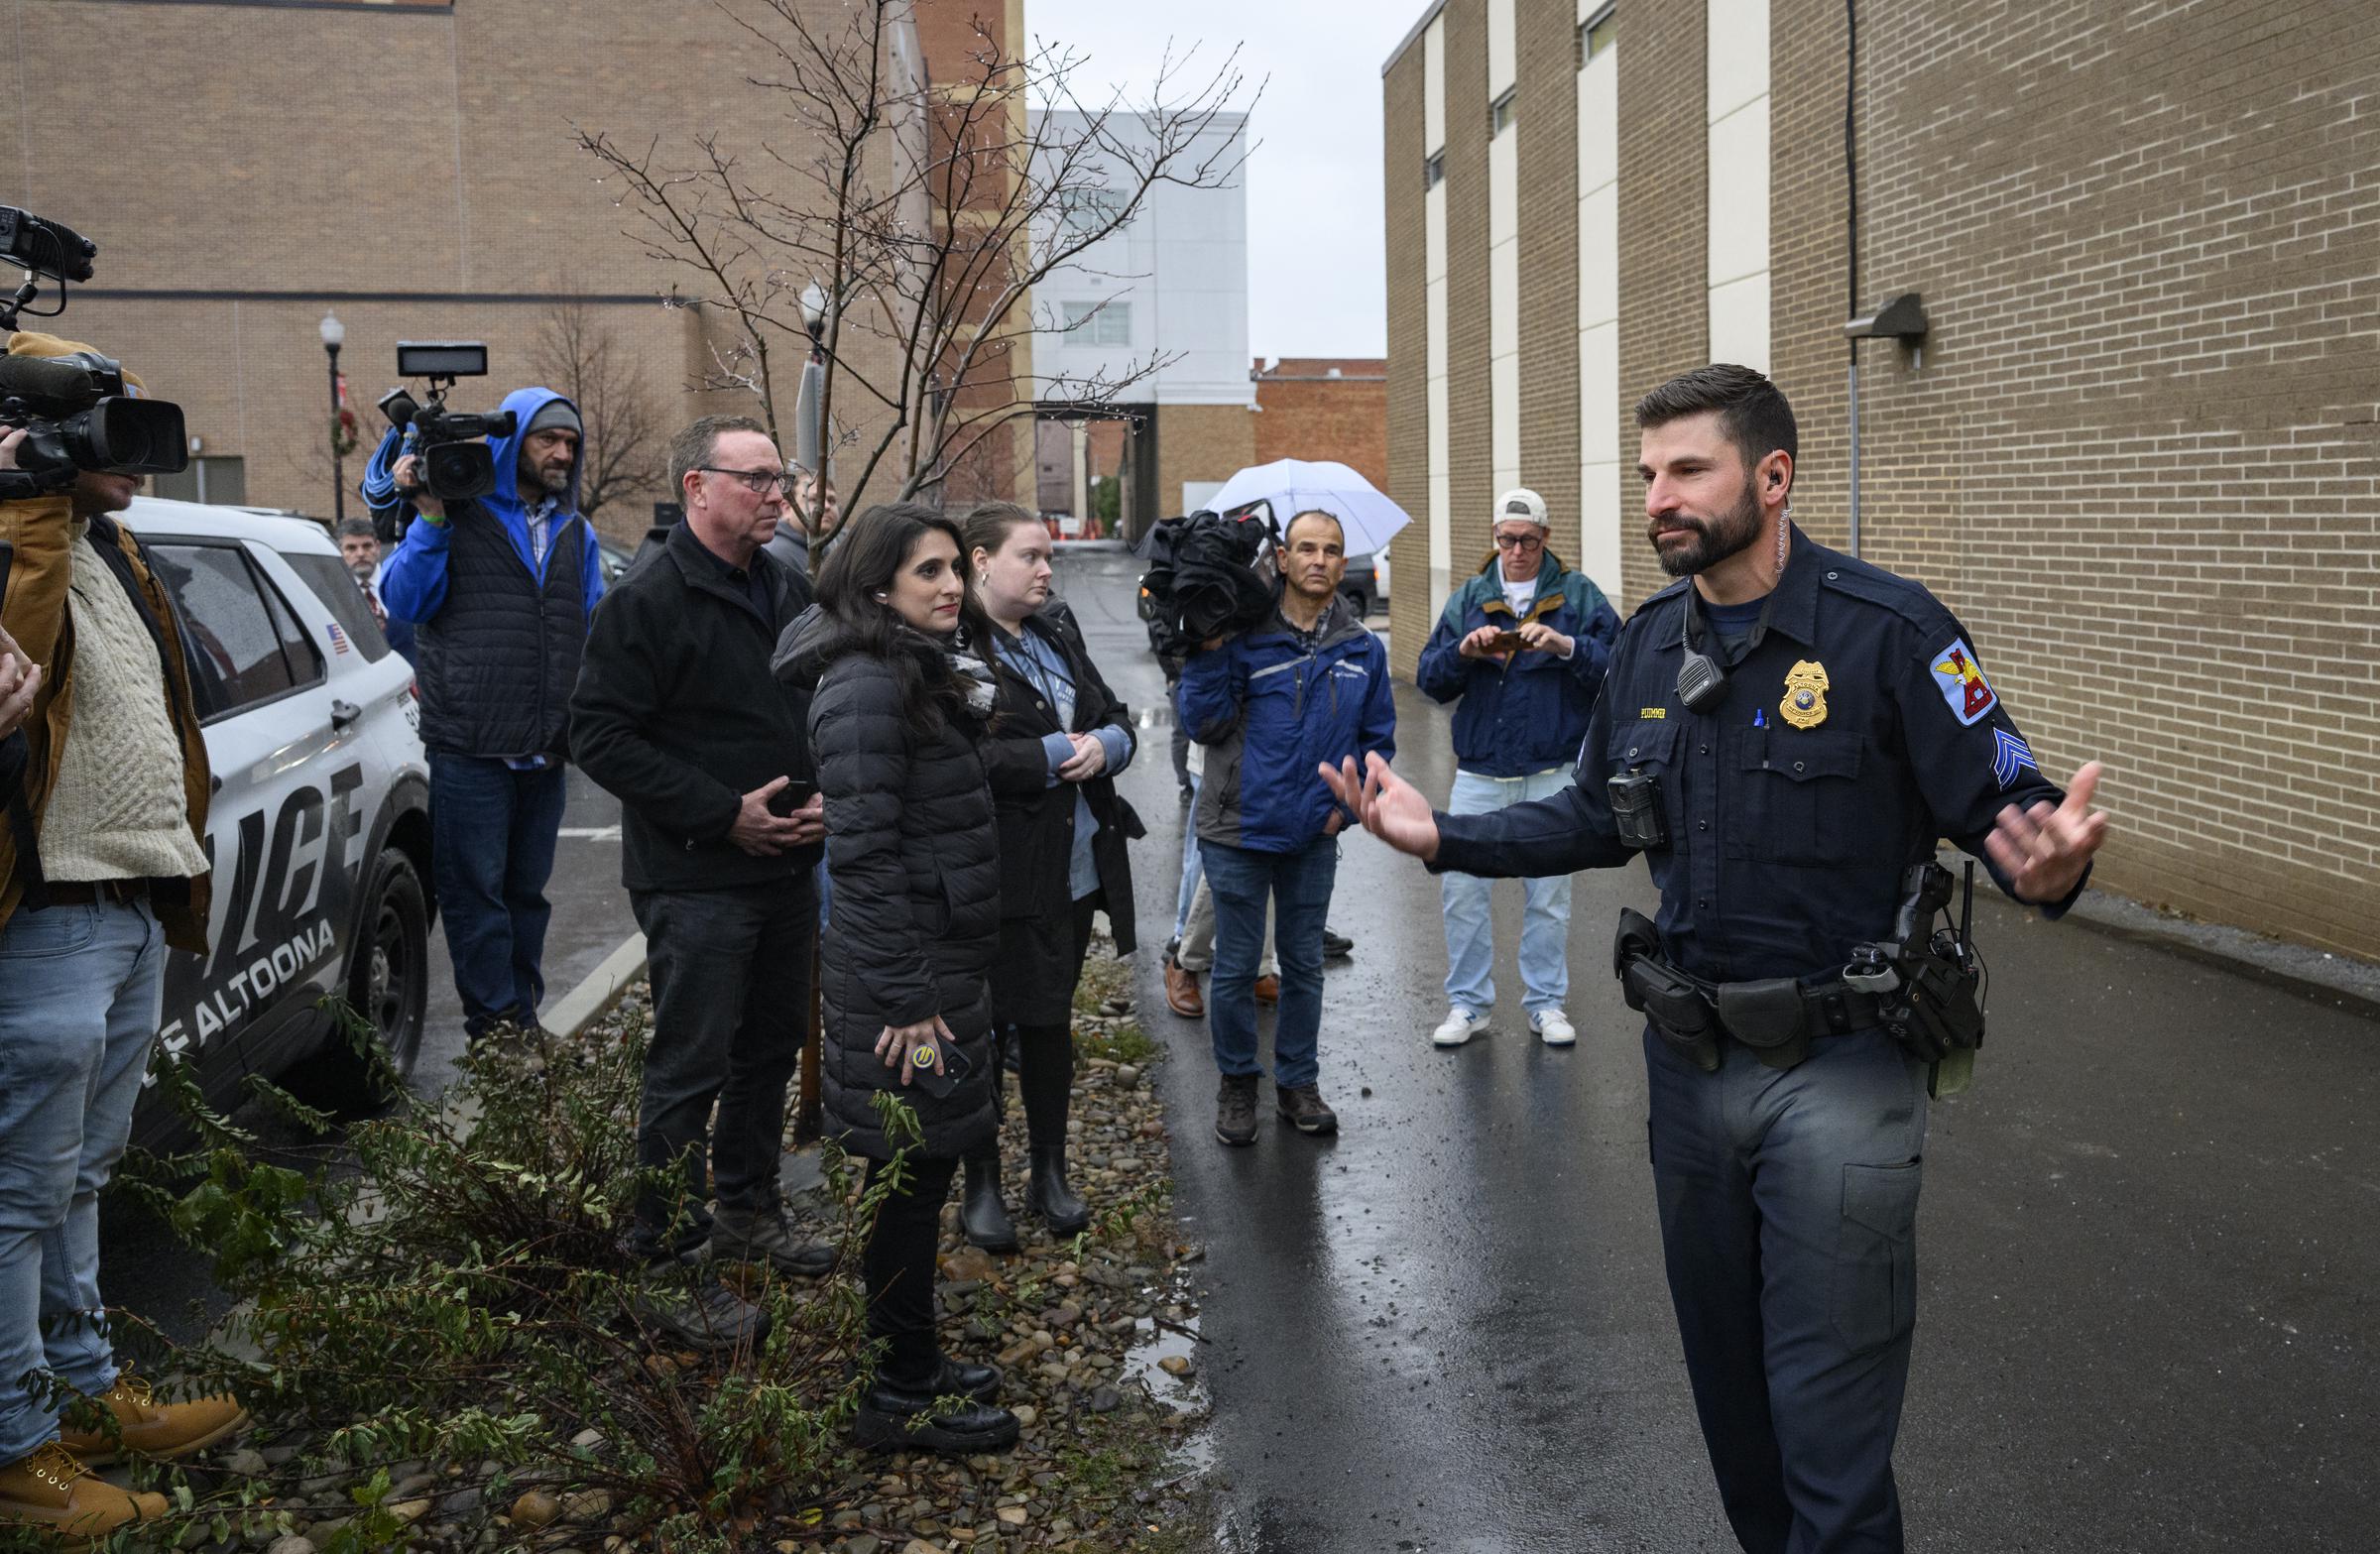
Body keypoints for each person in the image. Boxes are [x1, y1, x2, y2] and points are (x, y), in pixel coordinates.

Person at [1323, 364, 2109, 1554]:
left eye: (1687, 470)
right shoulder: (1642, 647)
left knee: (1829, 1432)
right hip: (1690, 1077)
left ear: (1773, 476)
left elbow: (2010, 797)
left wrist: (2047, 862)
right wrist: (1444, 834)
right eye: (1649, 475)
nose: (1659, 499)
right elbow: (1592, 815)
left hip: (1843, 1074)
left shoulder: (1892, 631)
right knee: (1735, 1418)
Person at [0, 333, 243, 1543]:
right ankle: (16, 1447)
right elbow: (15, 678)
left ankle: (85, 1393)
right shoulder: (23, 539)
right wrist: (24, 507)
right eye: (101, 423)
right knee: (16, 1193)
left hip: (128, 900)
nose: (133, 449)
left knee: (81, 1178)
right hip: (42, 912)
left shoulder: (115, 545)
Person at [569, 416, 832, 1350]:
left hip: (788, 866)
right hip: (697, 879)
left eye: (780, 481)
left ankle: (749, 1210)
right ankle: (666, 1258)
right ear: (697, 487)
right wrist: (725, 813)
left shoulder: (785, 584)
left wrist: (822, 798)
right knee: (690, 1066)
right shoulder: (646, 600)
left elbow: (814, 702)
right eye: (757, 479)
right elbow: (598, 734)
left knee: (767, 1051)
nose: (776, 496)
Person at [773, 502, 1018, 1455]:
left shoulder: (908, 669)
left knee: (919, 1174)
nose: (953, 585)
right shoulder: (865, 686)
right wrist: (910, 1002)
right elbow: (864, 859)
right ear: (877, 586)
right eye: (930, 572)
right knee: (908, 1183)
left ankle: (912, 1358)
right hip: (904, 988)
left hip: (935, 965)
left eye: (956, 568)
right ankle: (899, 1391)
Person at [378, 389, 605, 1041]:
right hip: (471, 747)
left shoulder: (576, 531)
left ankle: (523, 1017)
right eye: (546, 439)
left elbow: (589, 625)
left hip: (545, 748)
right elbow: (405, 602)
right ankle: (497, 1030)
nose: (562, 451)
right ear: (513, 445)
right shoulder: (458, 515)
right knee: (476, 896)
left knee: (526, 897)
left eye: (570, 441)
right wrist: (430, 520)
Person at [956, 503, 1141, 1251]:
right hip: (997, 873)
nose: (1044, 570)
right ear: (980, 560)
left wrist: (1107, 744)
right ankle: (982, 1182)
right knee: (980, 1026)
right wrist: (1044, 757)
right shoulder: (954, 647)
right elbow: (959, 758)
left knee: (1049, 1022)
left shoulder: (1055, 631)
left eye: (1048, 558)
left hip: (1070, 870)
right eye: (1030, 556)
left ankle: (1049, 1171)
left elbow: (1117, 712)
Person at [1178, 509, 1393, 1145]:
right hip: (1237, 830)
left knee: (1303, 966)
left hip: (1312, 836)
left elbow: (1377, 744)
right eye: (1306, 548)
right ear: (1282, 558)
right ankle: (1238, 1084)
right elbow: (1203, 724)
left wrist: (1344, 811)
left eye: (1331, 549)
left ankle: (1297, 1082)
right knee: (1238, 967)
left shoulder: (1362, 649)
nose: (1320, 560)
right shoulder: (1241, 636)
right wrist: (1210, 649)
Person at [1413, 487, 1619, 1048]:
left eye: (1528, 540)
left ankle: (1546, 1003)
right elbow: (1429, 679)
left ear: (1546, 539)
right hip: (1480, 771)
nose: (1518, 550)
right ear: (1495, 540)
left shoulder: (1577, 594)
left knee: (1548, 896)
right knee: (1462, 891)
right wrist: (1464, 652)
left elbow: (1622, 668)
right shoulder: (1471, 597)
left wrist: (1566, 646)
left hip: (1551, 771)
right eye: (1507, 539)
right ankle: (1470, 1005)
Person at [336, 516, 414, 661]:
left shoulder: (402, 583)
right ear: (341, 552)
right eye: (351, 548)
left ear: (377, 547)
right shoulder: (333, 594)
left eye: (367, 546)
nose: (360, 554)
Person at [762, 469, 837, 579]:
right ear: (787, 508)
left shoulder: (827, 549)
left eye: (831, 500)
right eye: (814, 499)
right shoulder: (777, 555)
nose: (827, 506)